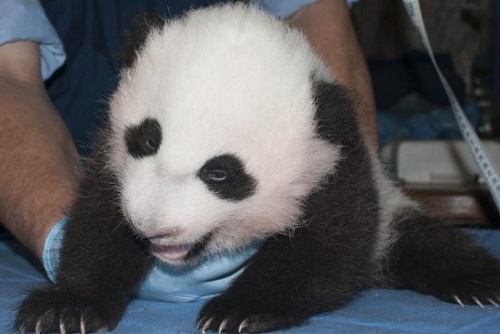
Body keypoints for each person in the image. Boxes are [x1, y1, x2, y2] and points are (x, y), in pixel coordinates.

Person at [0, 0, 376, 301]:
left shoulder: (318, 132)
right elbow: (6, 75)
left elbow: (316, 13)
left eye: (218, 174)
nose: (151, 217)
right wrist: (68, 254)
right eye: (146, 143)